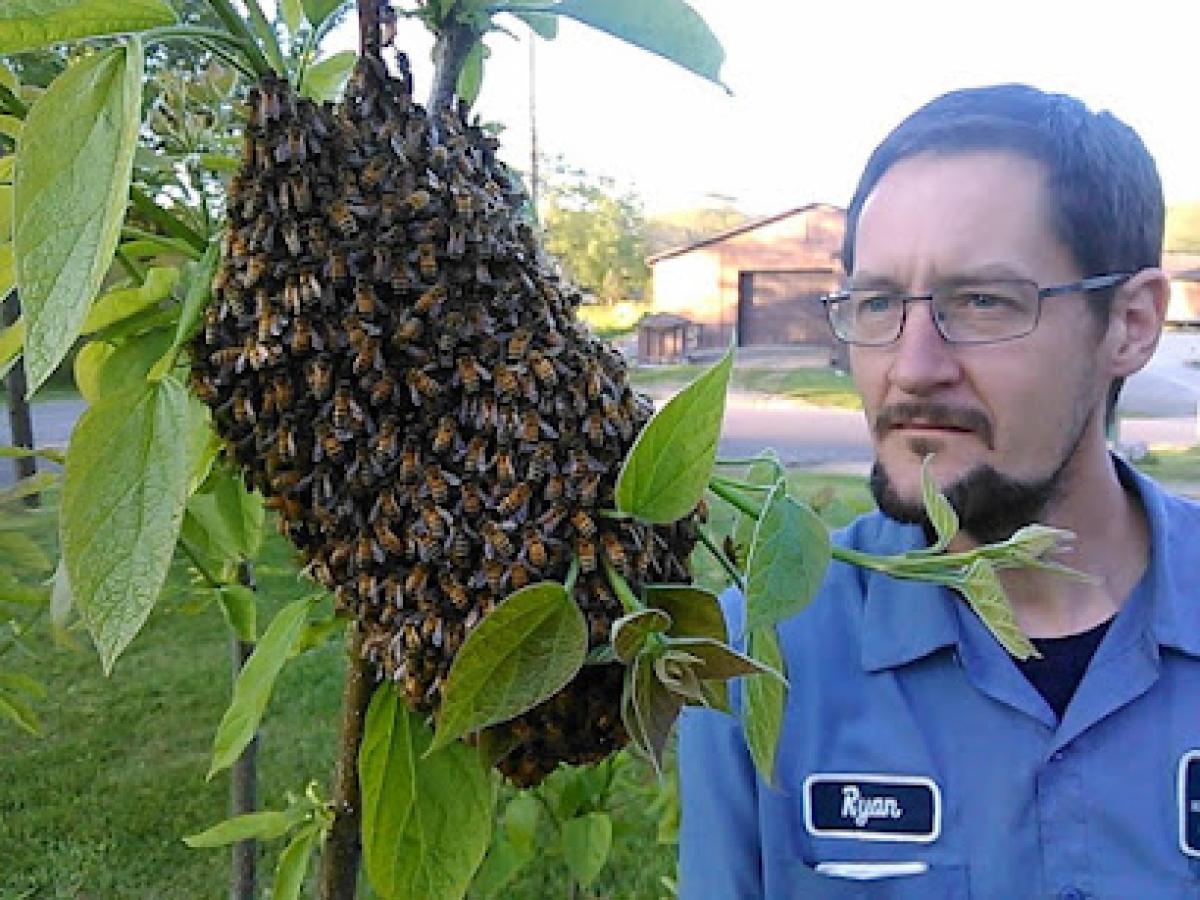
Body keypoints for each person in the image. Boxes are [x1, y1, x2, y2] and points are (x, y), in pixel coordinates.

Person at [678, 83, 1200, 899]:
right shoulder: (756, 659)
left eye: (982, 301)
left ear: (1130, 325)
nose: (913, 366)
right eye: (878, 303)